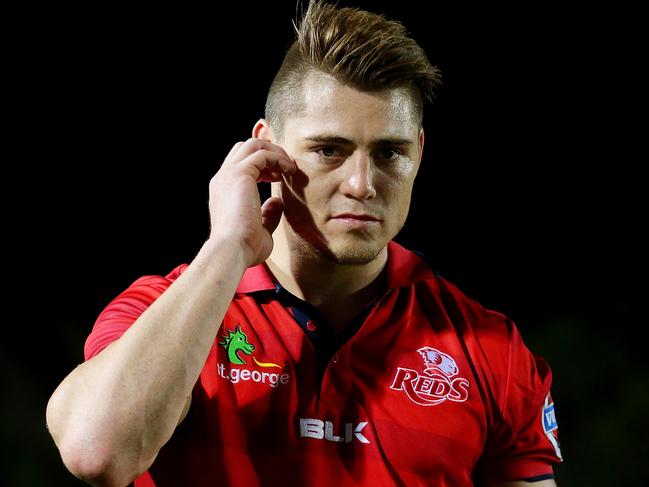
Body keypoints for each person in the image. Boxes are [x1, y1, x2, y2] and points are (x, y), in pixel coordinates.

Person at [46, 1, 562, 485]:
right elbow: (98, 454)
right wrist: (227, 247)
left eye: (389, 153)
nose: (361, 183)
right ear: (266, 149)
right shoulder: (162, 309)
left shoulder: (492, 349)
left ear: (419, 153)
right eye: (329, 150)